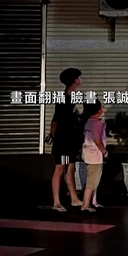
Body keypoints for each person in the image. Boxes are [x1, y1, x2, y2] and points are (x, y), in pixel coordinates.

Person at [48, 68, 83, 212]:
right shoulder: (64, 98)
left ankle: (74, 198)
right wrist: (52, 135)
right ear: (74, 80)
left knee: (71, 168)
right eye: (79, 77)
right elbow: (56, 119)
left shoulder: (72, 97)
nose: (81, 79)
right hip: (64, 140)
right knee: (60, 169)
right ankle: (56, 202)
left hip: (71, 140)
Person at [80, 101, 107, 213]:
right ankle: (86, 205)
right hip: (95, 156)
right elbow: (97, 140)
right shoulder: (96, 123)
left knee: (93, 179)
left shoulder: (89, 122)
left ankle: (93, 201)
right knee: (93, 180)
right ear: (98, 110)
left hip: (88, 154)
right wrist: (104, 151)